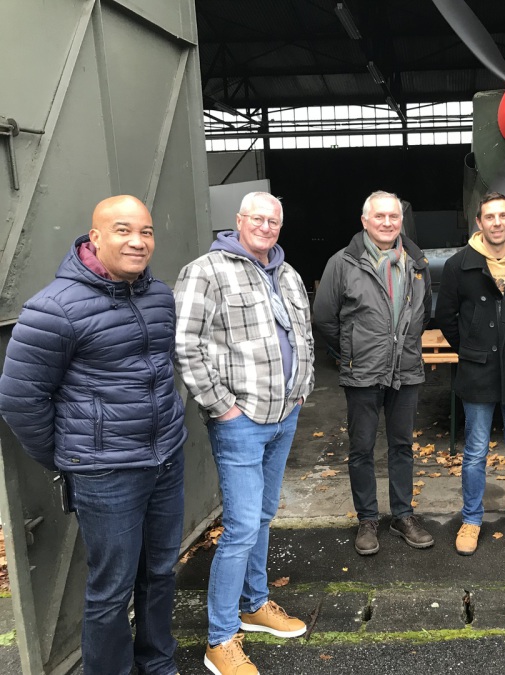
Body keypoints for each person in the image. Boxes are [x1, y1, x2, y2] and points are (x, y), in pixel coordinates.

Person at [0, 195, 187, 675]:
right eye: (123, 230)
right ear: (96, 236)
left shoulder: (158, 295)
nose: (137, 241)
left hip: (166, 459)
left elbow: (160, 370)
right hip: (107, 474)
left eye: (146, 231)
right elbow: (20, 400)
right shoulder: (53, 309)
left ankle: (157, 663)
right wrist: (74, 457)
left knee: (160, 572)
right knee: (111, 590)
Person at [174, 191, 315, 675]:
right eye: (257, 218)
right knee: (240, 528)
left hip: (284, 415)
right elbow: (186, 344)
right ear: (238, 221)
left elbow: (303, 335)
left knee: (263, 517)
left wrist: (302, 390)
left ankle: (254, 604)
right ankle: (219, 639)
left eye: (274, 221)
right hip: (242, 421)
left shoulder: (287, 273)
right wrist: (222, 407)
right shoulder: (206, 271)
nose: (266, 227)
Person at [314, 190, 434, 556]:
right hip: (363, 372)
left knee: (402, 446)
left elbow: (424, 313)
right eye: (379, 216)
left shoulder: (417, 263)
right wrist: (350, 353)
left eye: (393, 216)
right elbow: (324, 318)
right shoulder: (343, 263)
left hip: (406, 370)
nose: (386, 222)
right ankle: (367, 519)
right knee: (362, 448)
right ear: (365, 221)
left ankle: (402, 515)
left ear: (401, 221)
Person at [434, 192, 505, 555]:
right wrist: (472, 348)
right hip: (478, 368)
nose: (496, 222)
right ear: (479, 222)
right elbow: (446, 316)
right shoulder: (458, 265)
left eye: (502, 216)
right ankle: (471, 519)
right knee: (475, 451)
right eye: (489, 216)